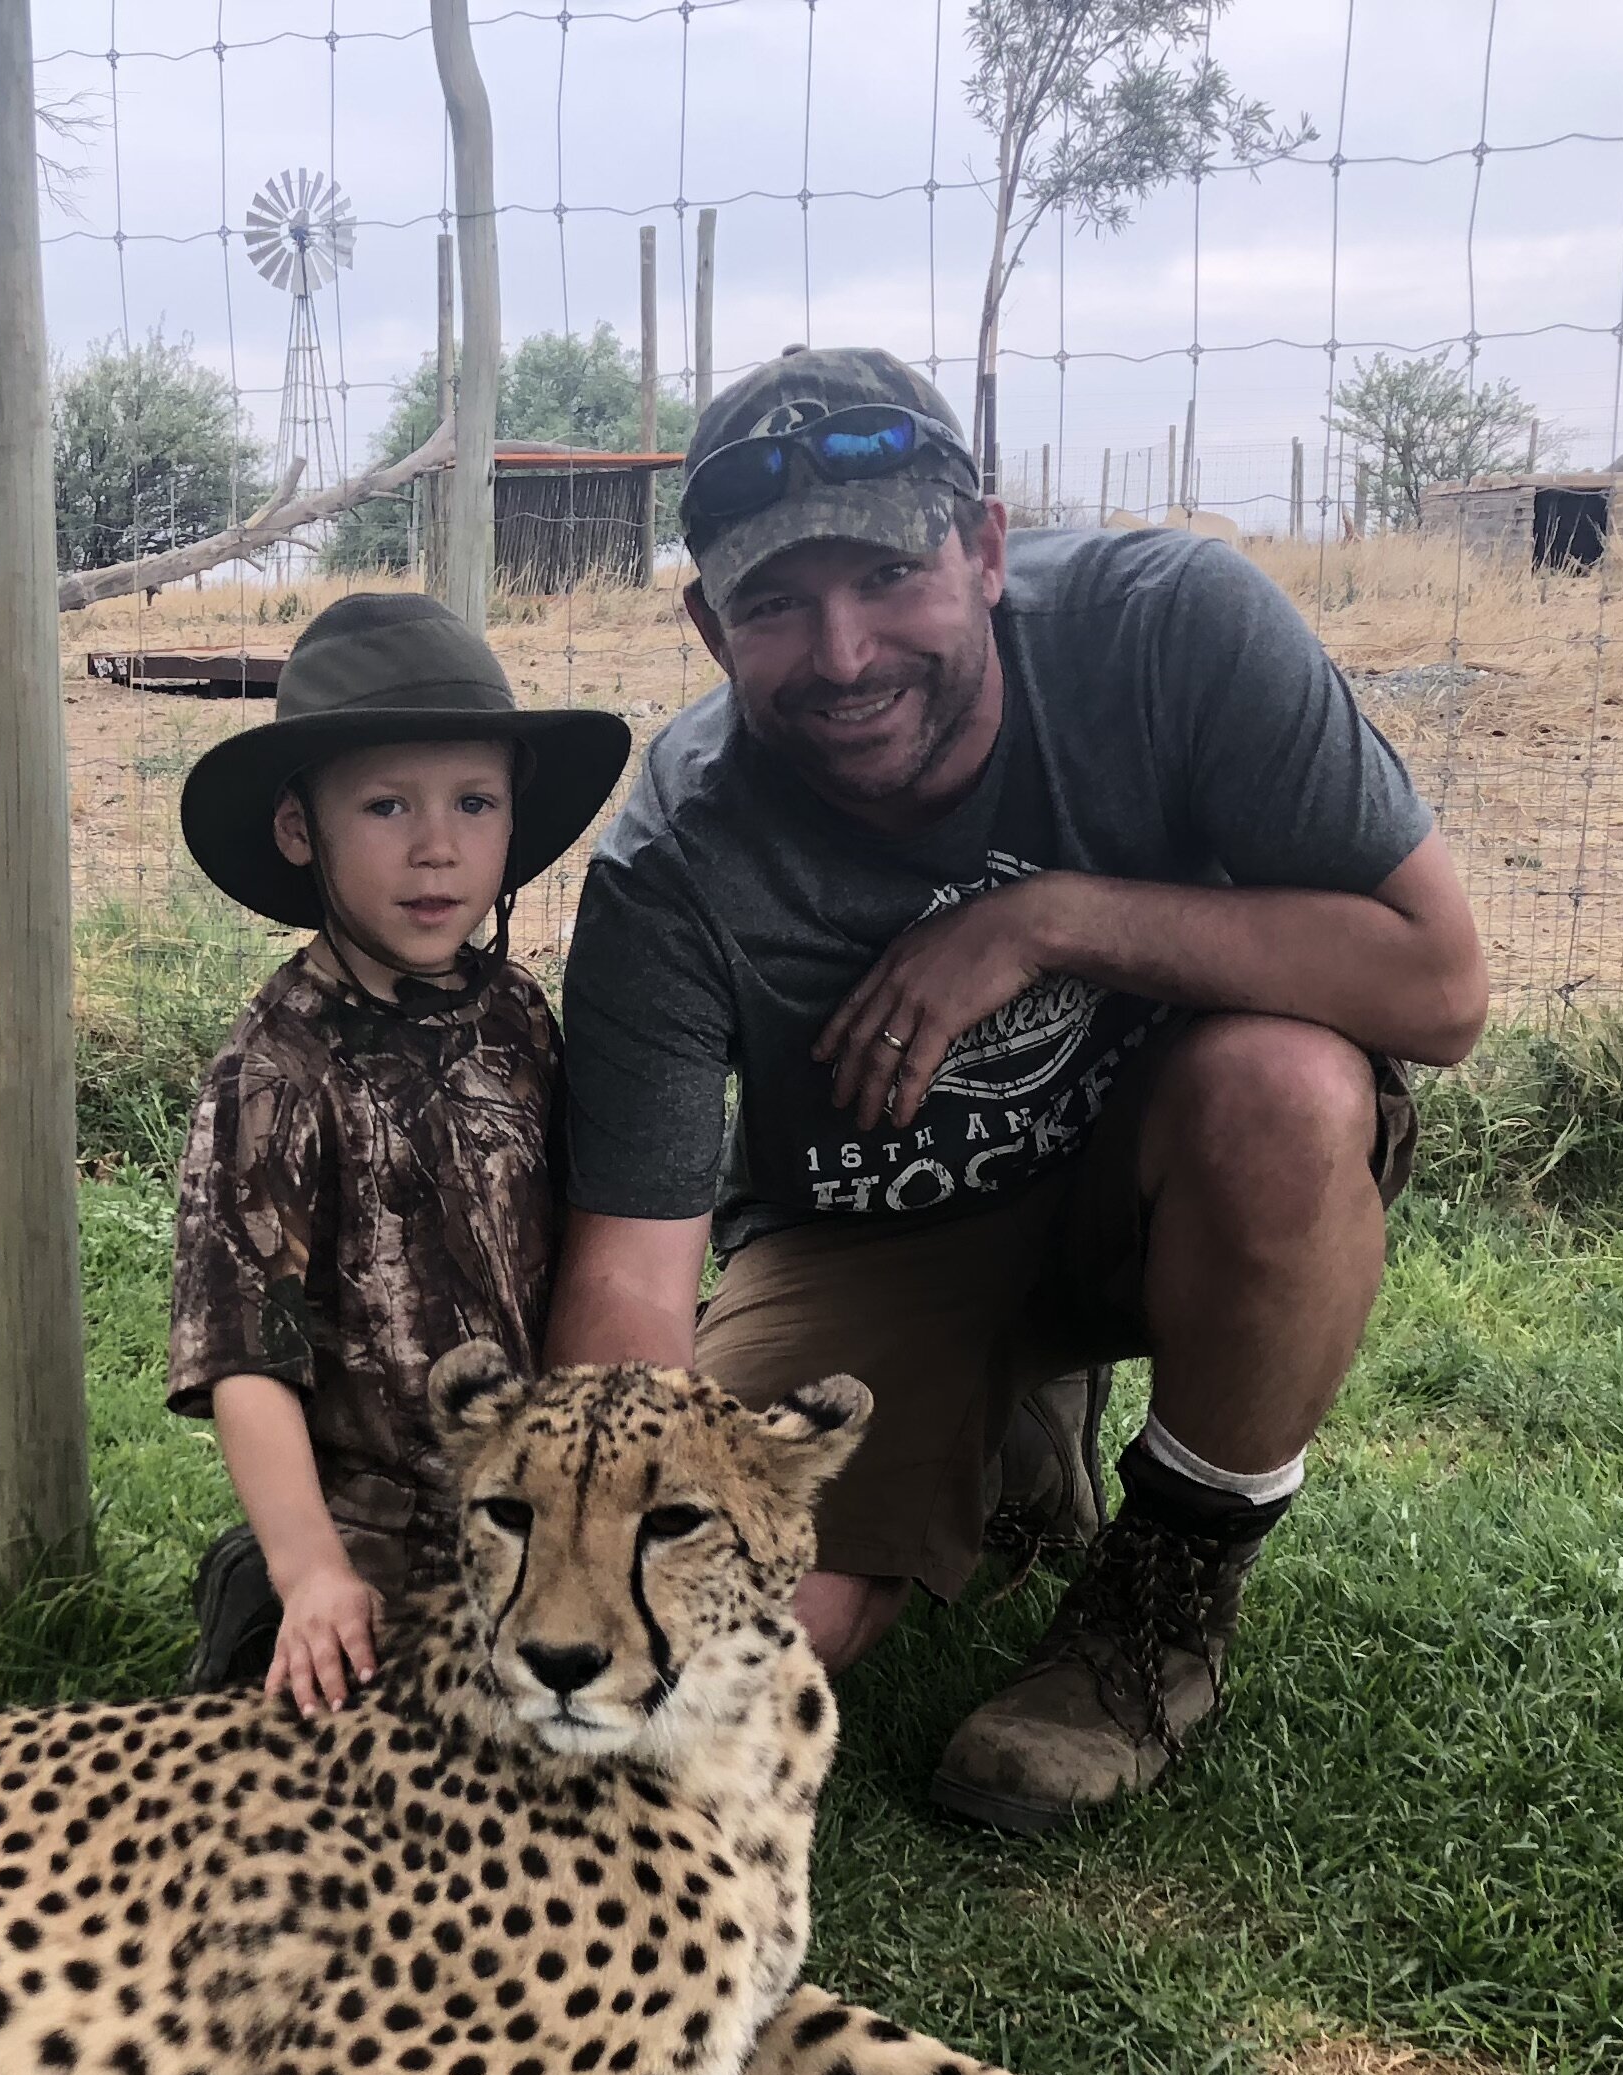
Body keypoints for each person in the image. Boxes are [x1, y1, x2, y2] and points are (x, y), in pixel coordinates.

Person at [548, 345, 1487, 1832]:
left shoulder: (1172, 631)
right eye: (777, 603)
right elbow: (629, 1279)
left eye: (888, 576)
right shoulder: (673, 855)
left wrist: (1045, 917)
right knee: (741, 1650)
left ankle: (1162, 1606)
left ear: (985, 549)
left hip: (1164, 1172)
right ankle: (1008, 1445)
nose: (843, 652)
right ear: (708, 627)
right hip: (864, 1229)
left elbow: (1438, 988)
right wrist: (614, 1565)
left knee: (1289, 1088)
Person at [167, 593, 634, 1712]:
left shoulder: (518, 1014)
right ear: (298, 829)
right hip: (382, 1534)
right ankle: (269, 1584)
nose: (437, 847)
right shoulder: (274, 1074)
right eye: (386, 806)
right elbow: (245, 1357)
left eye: (474, 802)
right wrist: (313, 1569)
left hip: (541, 1511)